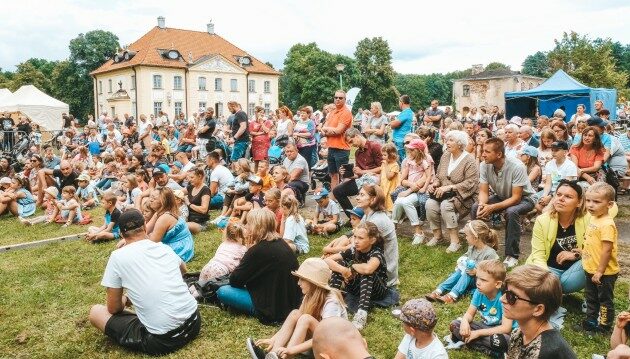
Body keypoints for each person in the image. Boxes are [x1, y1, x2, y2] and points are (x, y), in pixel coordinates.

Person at [88, 209, 201, 356]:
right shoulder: (164, 248)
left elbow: (114, 308)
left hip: (163, 340)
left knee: (96, 312)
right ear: (145, 227)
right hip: (194, 322)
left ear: (121, 234)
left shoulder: (117, 257)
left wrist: (124, 299)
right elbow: (183, 271)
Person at [248, 258, 347, 359]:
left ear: (314, 283)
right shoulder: (310, 295)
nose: (298, 283)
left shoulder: (331, 302)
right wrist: (274, 339)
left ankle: (284, 357)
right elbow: (295, 320)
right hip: (315, 343)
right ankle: (272, 354)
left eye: (302, 279)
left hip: (332, 346)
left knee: (305, 318)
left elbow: (328, 335)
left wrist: (291, 350)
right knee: (296, 313)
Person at [217, 208, 302, 324]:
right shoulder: (282, 244)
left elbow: (235, 280)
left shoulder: (257, 250)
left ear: (257, 226)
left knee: (223, 291)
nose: (246, 226)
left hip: (271, 309)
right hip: (291, 303)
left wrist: (248, 251)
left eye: (249, 223)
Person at [471, 138, 536, 268]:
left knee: (511, 212)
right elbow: (483, 192)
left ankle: (512, 255)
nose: (483, 154)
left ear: (499, 154)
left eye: (487, 152)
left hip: (525, 198)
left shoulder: (517, 166)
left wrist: (492, 207)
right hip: (502, 196)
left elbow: (516, 198)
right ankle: (478, 249)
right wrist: (482, 205)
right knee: (475, 208)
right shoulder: (484, 165)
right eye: (483, 151)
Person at [502, 265, 577, 358]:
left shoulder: (545, 352)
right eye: (504, 292)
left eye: (511, 296)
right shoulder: (518, 333)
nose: (502, 299)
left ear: (538, 309)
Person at [325, 222, 388, 330]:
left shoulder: (376, 253)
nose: (356, 241)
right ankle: (332, 302)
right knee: (339, 264)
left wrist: (353, 267)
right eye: (355, 237)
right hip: (357, 288)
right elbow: (327, 260)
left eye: (361, 238)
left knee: (367, 273)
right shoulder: (354, 250)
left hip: (377, 290)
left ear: (372, 240)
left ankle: (361, 314)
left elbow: (369, 269)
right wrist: (343, 269)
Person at [446, 260, 513, 356]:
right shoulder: (478, 292)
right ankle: (491, 350)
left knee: (502, 341)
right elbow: (469, 314)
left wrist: (478, 333)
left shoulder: (504, 298)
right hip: (485, 327)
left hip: (501, 333)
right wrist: (465, 321)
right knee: (455, 325)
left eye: (483, 280)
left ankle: (477, 345)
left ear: (497, 284)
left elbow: (506, 328)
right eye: (477, 278)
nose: (478, 283)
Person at [426, 130, 479, 251]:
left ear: (460, 144)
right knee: (430, 204)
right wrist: (434, 184)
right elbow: (439, 176)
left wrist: (450, 187)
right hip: (443, 193)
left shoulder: (469, 159)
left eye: (451, 140)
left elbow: (471, 182)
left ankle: (455, 241)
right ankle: (438, 237)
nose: (447, 142)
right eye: (447, 140)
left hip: (464, 195)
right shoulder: (445, 155)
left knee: (446, 205)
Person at [426, 220, 499, 304]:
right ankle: (439, 291)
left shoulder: (489, 253)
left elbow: (493, 273)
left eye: (467, 235)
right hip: (469, 279)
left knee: (467, 273)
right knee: (460, 271)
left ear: (475, 238)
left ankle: (452, 295)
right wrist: (461, 261)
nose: (465, 237)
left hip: (481, 282)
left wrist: (476, 272)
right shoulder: (472, 248)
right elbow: (466, 256)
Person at [582, 182, 618, 332]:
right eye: (588, 200)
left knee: (604, 300)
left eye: (596, 202)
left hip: (604, 273)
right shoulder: (594, 218)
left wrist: (600, 271)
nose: (590, 205)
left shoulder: (607, 224)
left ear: (609, 204)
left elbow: (607, 250)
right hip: (590, 268)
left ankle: (604, 326)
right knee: (591, 297)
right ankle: (590, 321)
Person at [189, 221, 247, 299]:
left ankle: (192, 289)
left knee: (201, 284)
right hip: (221, 271)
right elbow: (241, 265)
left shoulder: (223, 244)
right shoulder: (243, 248)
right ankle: (196, 296)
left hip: (208, 267)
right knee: (210, 289)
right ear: (241, 236)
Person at [391, 139, 433, 245]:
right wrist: (408, 184)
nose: (409, 152)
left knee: (405, 201)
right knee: (399, 200)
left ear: (418, 150)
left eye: (411, 150)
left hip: (420, 190)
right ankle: (393, 228)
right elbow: (402, 178)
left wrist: (410, 189)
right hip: (411, 189)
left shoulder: (425, 161)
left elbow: (426, 178)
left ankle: (419, 233)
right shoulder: (409, 160)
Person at [356, 185, 399, 287]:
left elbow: (354, 245)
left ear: (373, 199)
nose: (357, 197)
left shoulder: (377, 220)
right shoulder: (368, 215)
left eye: (362, 195)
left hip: (382, 275)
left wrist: (330, 251)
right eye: (358, 194)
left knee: (338, 265)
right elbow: (352, 235)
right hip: (370, 262)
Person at [333, 128, 382, 216]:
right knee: (337, 190)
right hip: (362, 180)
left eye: (351, 141)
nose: (352, 145)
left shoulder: (374, 146)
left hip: (376, 180)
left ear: (357, 136)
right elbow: (358, 174)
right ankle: (353, 217)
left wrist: (363, 171)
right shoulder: (357, 153)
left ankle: (360, 215)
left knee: (364, 186)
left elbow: (383, 168)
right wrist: (346, 174)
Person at [144, 188, 195, 262]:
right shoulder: (159, 212)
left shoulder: (164, 218)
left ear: (163, 202)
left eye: (154, 198)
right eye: (151, 197)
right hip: (183, 245)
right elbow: (145, 230)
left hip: (180, 250)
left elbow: (153, 244)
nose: (150, 200)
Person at [321, 90, 353, 190]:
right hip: (331, 148)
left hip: (342, 149)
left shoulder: (346, 113)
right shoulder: (331, 112)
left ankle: (344, 197)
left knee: (345, 176)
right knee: (333, 175)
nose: (337, 99)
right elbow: (323, 129)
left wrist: (327, 130)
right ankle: (334, 198)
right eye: (336, 97)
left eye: (340, 98)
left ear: (345, 100)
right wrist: (330, 131)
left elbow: (339, 130)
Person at [534, 142, 578, 212]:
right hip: (552, 191)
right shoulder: (549, 164)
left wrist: (550, 197)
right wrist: (544, 196)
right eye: (552, 150)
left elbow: (566, 186)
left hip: (564, 192)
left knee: (545, 210)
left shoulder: (570, 166)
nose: (553, 153)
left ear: (565, 152)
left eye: (556, 150)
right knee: (533, 201)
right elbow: (548, 183)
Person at [184, 167, 210, 234]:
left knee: (182, 226)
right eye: (189, 178)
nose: (189, 180)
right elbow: (178, 193)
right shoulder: (191, 187)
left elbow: (204, 210)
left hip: (200, 223)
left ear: (200, 176)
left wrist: (189, 204)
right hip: (188, 219)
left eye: (192, 177)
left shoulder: (205, 190)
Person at [390, 95, 414, 161]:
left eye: (399, 102)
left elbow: (393, 125)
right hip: (401, 140)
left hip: (400, 141)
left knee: (401, 161)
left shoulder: (406, 112)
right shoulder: (408, 112)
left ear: (402, 102)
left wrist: (393, 123)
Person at [250, 106, 273, 172]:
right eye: (260, 112)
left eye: (263, 113)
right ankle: (256, 178)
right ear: (256, 113)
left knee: (265, 162)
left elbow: (266, 131)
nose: (262, 114)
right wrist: (260, 133)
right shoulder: (252, 123)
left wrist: (261, 122)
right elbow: (251, 133)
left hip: (264, 145)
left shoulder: (267, 122)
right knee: (256, 162)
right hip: (256, 145)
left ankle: (265, 177)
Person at [380, 143, 400, 212]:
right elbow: (381, 173)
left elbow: (389, 177)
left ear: (392, 155)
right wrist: (378, 183)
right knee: (383, 198)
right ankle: (385, 211)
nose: (383, 157)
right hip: (383, 185)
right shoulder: (384, 163)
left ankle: (391, 212)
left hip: (390, 187)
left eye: (385, 155)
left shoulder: (395, 165)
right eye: (382, 155)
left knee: (389, 200)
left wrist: (385, 166)